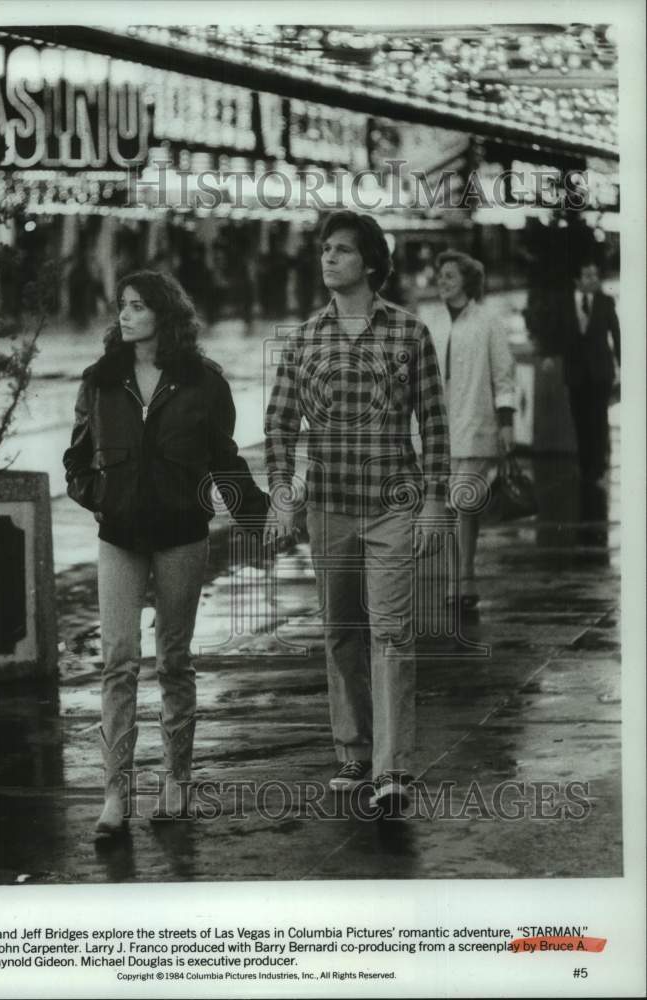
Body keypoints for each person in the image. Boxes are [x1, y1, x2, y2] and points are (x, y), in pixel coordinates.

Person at [63, 270, 268, 838]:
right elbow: (77, 458)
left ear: (164, 314)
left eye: (136, 306)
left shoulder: (202, 382)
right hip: (120, 537)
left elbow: (224, 459)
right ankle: (115, 793)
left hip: (182, 533)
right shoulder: (101, 380)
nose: (124, 315)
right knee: (118, 661)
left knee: (174, 661)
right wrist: (99, 496)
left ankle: (175, 780)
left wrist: (257, 515)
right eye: (121, 307)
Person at [264, 211, 450, 813]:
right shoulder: (305, 338)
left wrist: (434, 503)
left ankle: (393, 767)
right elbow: (279, 421)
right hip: (329, 508)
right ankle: (354, 751)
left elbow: (435, 424)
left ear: (370, 262)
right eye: (324, 250)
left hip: (394, 506)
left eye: (341, 251)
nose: (328, 259)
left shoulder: (408, 333)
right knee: (342, 632)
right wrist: (283, 492)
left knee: (391, 633)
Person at [433, 251, 517, 611]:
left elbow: (503, 374)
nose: (442, 281)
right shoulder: (433, 322)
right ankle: (458, 577)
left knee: (464, 503)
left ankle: (463, 578)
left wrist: (507, 422)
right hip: (440, 427)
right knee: (449, 507)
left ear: (467, 281)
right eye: (440, 275)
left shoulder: (487, 322)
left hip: (477, 423)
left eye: (450, 275)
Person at [545, 261, 621, 484]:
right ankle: (585, 468)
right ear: (577, 280)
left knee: (599, 419)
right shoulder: (564, 303)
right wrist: (549, 355)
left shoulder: (606, 302)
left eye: (595, 275)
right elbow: (555, 331)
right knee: (580, 421)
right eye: (587, 275)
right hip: (576, 373)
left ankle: (599, 469)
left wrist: (623, 364)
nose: (593, 279)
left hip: (601, 372)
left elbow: (616, 334)